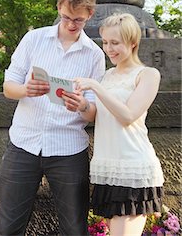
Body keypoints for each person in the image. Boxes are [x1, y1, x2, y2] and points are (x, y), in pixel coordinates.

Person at [0, 0, 106, 236]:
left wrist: (83, 105)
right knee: (7, 227)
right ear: (58, 7)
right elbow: (8, 87)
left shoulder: (95, 55)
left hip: (69, 148)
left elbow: (93, 112)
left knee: (75, 229)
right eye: (65, 16)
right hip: (24, 144)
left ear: (89, 14)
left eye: (77, 19)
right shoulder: (34, 39)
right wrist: (25, 90)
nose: (70, 24)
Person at [63, 13, 164, 236]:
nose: (109, 49)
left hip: (133, 168)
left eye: (115, 43)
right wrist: (81, 105)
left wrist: (96, 87)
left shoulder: (147, 74)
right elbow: (96, 115)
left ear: (133, 42)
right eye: (106, 43)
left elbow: (128, 116)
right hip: (108, 169)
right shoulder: (107, 75)